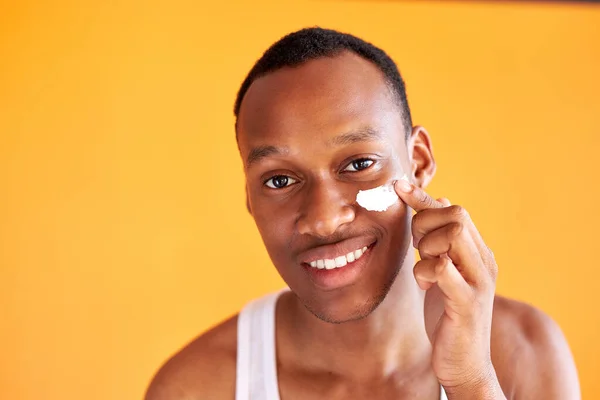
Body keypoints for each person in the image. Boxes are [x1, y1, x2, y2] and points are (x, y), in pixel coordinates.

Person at [145, 27, 580, 399]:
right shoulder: (197, 387)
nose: (323, 220)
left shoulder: (525, 352)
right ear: (249, 199)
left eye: (357, 165)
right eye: (279, 180)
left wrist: (472, 380)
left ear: (419, 162)